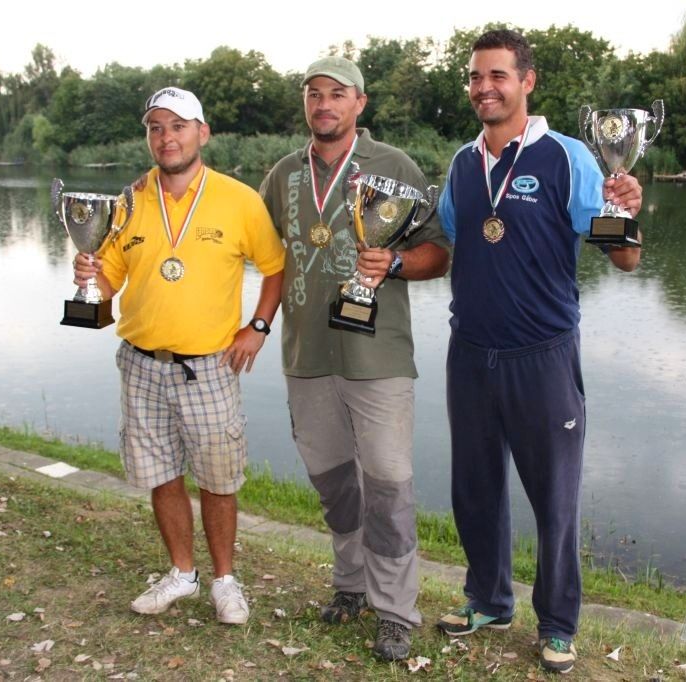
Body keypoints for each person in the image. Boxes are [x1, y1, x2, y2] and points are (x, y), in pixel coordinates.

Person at [435, 30, 644, 674]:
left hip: (542, 356)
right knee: (474, 490)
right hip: (470, 352)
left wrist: (629, 208)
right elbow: (449, 241)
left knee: (554, 498)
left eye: (497, 75)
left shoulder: (568, 156)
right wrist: (381, 263)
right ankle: (489, 600)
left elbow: (627, 256)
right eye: (475, 77)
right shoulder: (463, 164)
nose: (484, 88)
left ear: (527, 81)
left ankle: (557, 624)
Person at [259, 56, 450, 661]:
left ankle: (396, 611)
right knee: (336, 485)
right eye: (312, 94)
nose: (323, 104)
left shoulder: (394, 167)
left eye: (336, 94)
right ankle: (351, 586)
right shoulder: (284, 174)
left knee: (388, 487)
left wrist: (394, 262)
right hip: (306, 355)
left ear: (359, 103)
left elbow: (438, 253)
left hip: (378, 357)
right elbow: (260, 254)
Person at [72, 86, 285, 625]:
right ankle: (181, 573)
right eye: (156, 128)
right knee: (161, 474)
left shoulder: (239, 199)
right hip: (141, 364)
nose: (166, 137)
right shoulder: (128, 201)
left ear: (202, 133)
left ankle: (225, 581)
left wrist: (258, 327)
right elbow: (111, 285)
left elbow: (275, 267)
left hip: (210, 367)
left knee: (218, 479)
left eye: (178, 126)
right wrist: (90, 280)